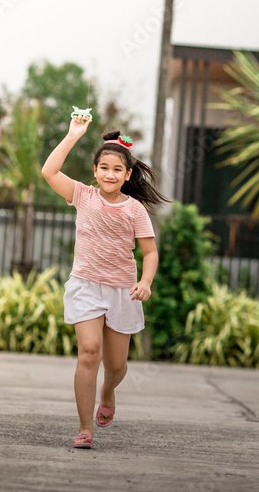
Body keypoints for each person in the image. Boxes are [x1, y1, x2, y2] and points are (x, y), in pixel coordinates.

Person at [41, 117, 168, 449]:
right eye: (103, 168)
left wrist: (146, 281)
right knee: (89, 352)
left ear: (127, 175)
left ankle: (108, 391)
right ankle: (85, 428)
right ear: (95, 171)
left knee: (116, 366)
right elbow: (49, 172)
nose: (109, 174)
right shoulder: (83, 196)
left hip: (122, 291)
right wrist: (72, 135)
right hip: (85, 286)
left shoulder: (135, 210)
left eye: (117, 169)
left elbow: (150, 252)